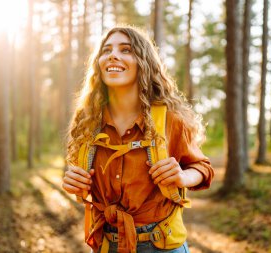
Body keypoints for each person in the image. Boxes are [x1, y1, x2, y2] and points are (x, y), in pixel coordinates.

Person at [62, 25, 214, 253]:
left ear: (144, 62)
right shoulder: (87, 121)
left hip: (161, 244)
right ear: (98, 63)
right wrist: (73, 181)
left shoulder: (169, 119)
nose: (113, 55)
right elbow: (80, 175)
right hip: (106, 244)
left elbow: (203, 168)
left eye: (126, 50)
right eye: (106, 50)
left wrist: (182, 176)